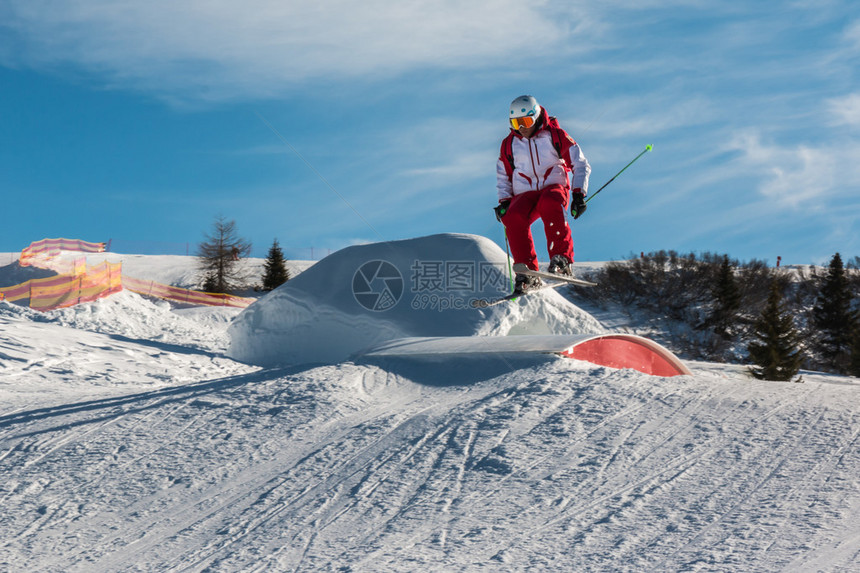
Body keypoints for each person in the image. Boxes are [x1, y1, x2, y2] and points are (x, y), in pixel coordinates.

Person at [495, 95, 591, 294]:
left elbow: (580, 164)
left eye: (525, 122)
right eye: (516, 123)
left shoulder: (554, 135)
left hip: (553, 186)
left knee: (550, 203)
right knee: (512, 217)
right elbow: (503, 174)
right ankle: (527, 272)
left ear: (536, 116)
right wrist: (504, 202)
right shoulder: (509, 144)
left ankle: (561, 258)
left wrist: (579, 194)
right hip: (525, 193)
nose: (521, 128)